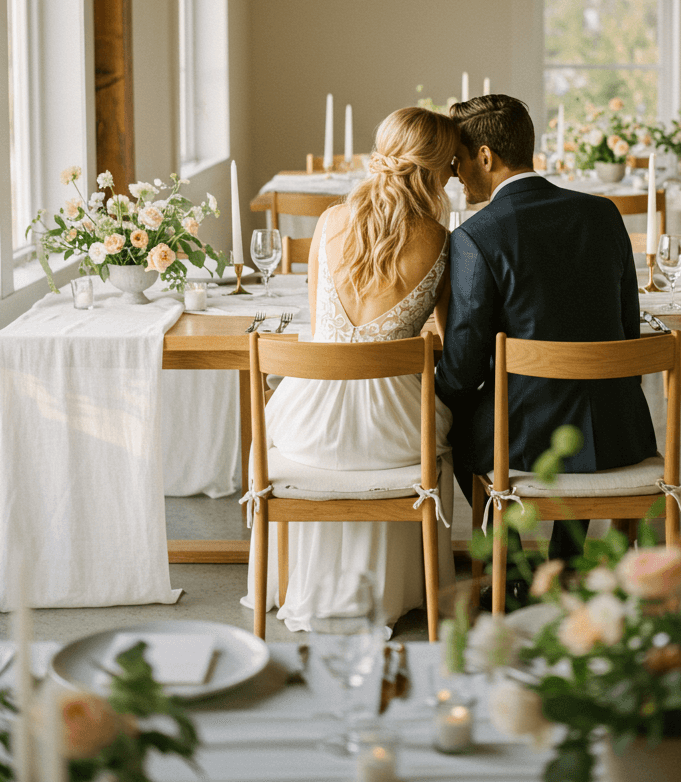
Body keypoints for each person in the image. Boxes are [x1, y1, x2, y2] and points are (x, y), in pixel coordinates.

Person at [244, 106, 459, 632]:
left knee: (281, 434)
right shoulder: (438, 238)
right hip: (393, 432)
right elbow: (451, 341)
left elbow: (318, 330)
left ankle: (301, 582)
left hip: (310, 422)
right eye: (451, 165)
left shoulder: (330, 221)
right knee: (444, 431)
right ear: (434, 171)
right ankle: (403, 588)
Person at [434, 94, 656, 564]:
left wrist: (434, 387)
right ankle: (565, 554)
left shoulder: (476, 236)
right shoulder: (604, 214)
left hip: (524, 445)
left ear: (486, 157)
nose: (456, 176)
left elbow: (462, 365)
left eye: (458, 163)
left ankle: (511, 562)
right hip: (617, 430)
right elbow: (628, 327)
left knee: (450, 417)